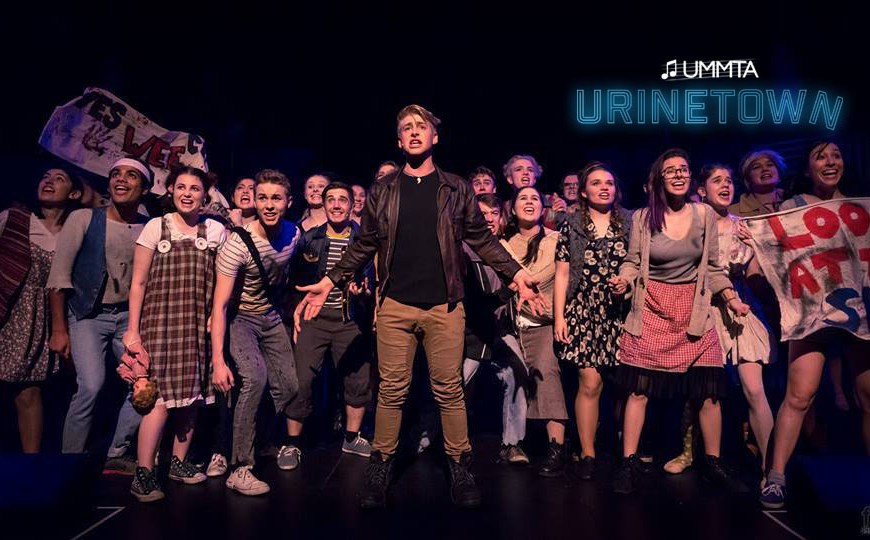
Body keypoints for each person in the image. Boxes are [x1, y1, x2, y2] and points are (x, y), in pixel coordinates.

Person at [295, 104, 541, 509]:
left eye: (421, 126)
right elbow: (364, 244)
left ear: (434, 136)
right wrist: (329, 280)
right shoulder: (384, 190)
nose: (413, 132)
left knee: (449, 390)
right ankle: (381, 463)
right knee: (392, 390)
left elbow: (481, 239)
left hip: (445, 307)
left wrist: (515, 274)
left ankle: (459, 465)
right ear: (398, 140)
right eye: (406, 127)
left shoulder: (455, 188)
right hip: (396, 306)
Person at [608, 148, 749, 494]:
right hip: (651, 308)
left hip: (694, 310)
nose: (678, 174)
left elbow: (712, 268)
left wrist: (731, 299)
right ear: (659, 178)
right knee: (638, 390)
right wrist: (623, 280)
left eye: (683, 169)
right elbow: (632, 261)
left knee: (709, 392)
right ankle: (628, 463)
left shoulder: (703, 214)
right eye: (670, 170)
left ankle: (712, 463)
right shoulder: (643, 217)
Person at [761, 141, 870, 508]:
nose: (830, 161)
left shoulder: (859, 207)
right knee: (799, 395)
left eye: (836, 155)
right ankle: (776, 477)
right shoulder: (791, 208)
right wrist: (756, 239)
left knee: (869, 396)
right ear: (808, 168)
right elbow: (773, 256)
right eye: (821, 157)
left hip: (859, 311)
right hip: (812, 311)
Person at [663, 164, 776, 478]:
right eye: (717, 180)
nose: (726, 185)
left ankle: (771, 468)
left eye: (729, 180)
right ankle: (688, 452)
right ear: (702, 190)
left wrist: (759, 250)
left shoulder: (744, 226)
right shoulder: (691, 223)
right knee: (699, 391)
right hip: (703, 308)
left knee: (754, 389)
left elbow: (754, 276)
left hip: (740, 309)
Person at [124, 166, 225, 501]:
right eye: (181, 187)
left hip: (196, 325)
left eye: (194, 188)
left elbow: (224, 283)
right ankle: (144, 472)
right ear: (170, 190)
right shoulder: (157, 226)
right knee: (159, 400)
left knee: (192, 396)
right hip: (159, 325)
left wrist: (214, 318)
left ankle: (178, 463)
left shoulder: (214, 230)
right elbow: (138, 283)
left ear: (205, 195)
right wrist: (132, 330)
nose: (187, 194)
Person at [48, 158, 152, 473]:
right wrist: (59, 330)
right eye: (116, 174)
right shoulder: (83, 218)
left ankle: (116, 451)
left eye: (131, 176)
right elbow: (59, 277)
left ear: (144, 189)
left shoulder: (149, 225)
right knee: (91, 385)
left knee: (146, 383)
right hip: (88, 315)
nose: (121, 180)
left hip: (128, 319)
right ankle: (69, 462)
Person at [211, 169, 301, 496]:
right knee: (254, 378)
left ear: (289, 202)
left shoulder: (294, 234)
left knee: (289, 386)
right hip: (241, 319)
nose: (269, 205)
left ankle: (253, 437)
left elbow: (291, 275)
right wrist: (218, 360)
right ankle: (240, 467)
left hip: (271, 316)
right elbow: (220, 304)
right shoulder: (237, 244)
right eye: (262, 198)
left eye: (276, 198)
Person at [553, 161, 632, 480]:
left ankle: (626, 451)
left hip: (622, 311)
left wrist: (627, 284)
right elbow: (562, 274)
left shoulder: (631, 222)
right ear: (583, 192)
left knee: (626, 385)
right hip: (584, 310)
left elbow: (642, 265)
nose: (604, 187)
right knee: (590, 382)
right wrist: (559, 316)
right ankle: (587, 453)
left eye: (609, 182)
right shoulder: (572, 225)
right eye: (596, 183)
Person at [287, 182, 373, 459]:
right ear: (323, 205)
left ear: (351, 205)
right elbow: (294, 281)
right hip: (314, 319)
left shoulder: (364, 240)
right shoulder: (309, 238)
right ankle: (292, 443)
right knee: (301, 380)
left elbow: (373, 282)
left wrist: (363, 294)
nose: (336, 205)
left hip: (351, 320)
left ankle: (351, 437)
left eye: (342, 200)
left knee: (358, 380)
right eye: (331, 200)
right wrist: (296, 312)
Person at [0, 166, 82, 453]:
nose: (49, 181)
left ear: (74, 193)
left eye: (59, 179)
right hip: (7, 309)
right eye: (45, 177)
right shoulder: (14, 218)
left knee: (28, 391)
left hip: (42, 318)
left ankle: (31, 463)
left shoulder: (74, 232)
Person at [501, 186, 569, 477]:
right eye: (523, 198)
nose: (529, 202)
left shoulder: (555, 239)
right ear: (512, 208)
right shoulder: (502, 243)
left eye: (534, 199)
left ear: (543, 208)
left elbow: (543, 275)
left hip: (542, 323)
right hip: (510, 326)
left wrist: (516, 279)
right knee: (512, 381)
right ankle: (512, 443)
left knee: (547, 375)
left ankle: (556, 447)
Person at [729, 150, 786, 217]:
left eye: (770, 165)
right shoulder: (733, 213)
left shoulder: (792, 199)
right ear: (748, 178)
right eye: (757, 167)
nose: (765, 169)